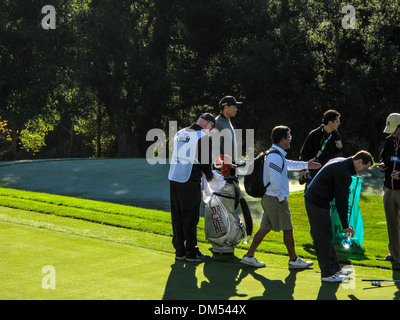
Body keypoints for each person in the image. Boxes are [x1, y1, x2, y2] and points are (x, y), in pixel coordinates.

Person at [241, 125, 321, 268]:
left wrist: (306, 165)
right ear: (283, 139)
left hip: (271, 198)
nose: (291, 139)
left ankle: (249, 256)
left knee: (264, 229)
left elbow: (288, 164)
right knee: (288, 229)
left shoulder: (276, 155)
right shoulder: (275, 157)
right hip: (275, 199)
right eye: (289, 136)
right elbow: (275, 180)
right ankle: (293, 260)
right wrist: (280, 198)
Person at [304, 151, 374, 282]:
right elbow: (342, 201)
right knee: (322, 238)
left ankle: (335, 269)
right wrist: (346, 226)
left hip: (320, 200)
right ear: (359, 162)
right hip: (316, 201)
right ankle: (327, 274)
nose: (363, 171)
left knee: (327, 236)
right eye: (364, 168)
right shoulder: (344, 172)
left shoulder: (342, 162)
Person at [168, 113, 216, 262]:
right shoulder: (202, 136)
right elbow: (205, 162)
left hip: (174, 177)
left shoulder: (180, 133)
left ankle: (179, 250)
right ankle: (191, 252)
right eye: (211, 127)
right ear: (208, 124)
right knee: (190, 216)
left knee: (177, 215)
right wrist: (210, 176)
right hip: (189, 179)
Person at [299, 110, 343, 187]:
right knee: (310, 196)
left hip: (328, 172)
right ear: (330, 123)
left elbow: (334, 156)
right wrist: (302, 170)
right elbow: (304, 153)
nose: (339, 124)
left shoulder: (335, 135)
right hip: (314, 172)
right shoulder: (314, 135)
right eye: (337, 121)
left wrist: (339, 148)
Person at [378, 113, 400, 263]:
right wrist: (382, 164)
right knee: (392, 223)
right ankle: (395, 255)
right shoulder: (389, 141)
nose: (392, 132)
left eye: (394, 129)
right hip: (388, 188)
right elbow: (382, 156)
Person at [213, 96, 245, 172]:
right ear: (226, 108)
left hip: (231, 168)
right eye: (234, 107)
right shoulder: (217, 123)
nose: (236, 109)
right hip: (223, 171)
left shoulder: (227, 121)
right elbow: (215, 148)